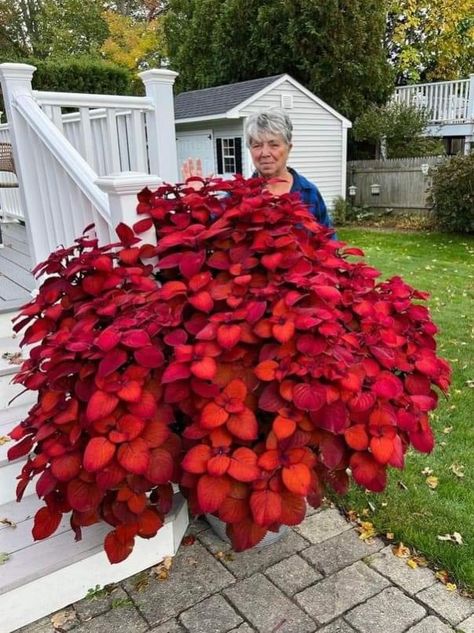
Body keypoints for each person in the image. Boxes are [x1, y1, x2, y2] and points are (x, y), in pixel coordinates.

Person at [181, 108, 333, 230]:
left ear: (289, 148)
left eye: (274, 145)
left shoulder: (309, 192)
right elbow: (207, 230)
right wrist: (197, 199)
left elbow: (327, 241)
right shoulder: (237, 196)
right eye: (257, 145)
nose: (265, 153)